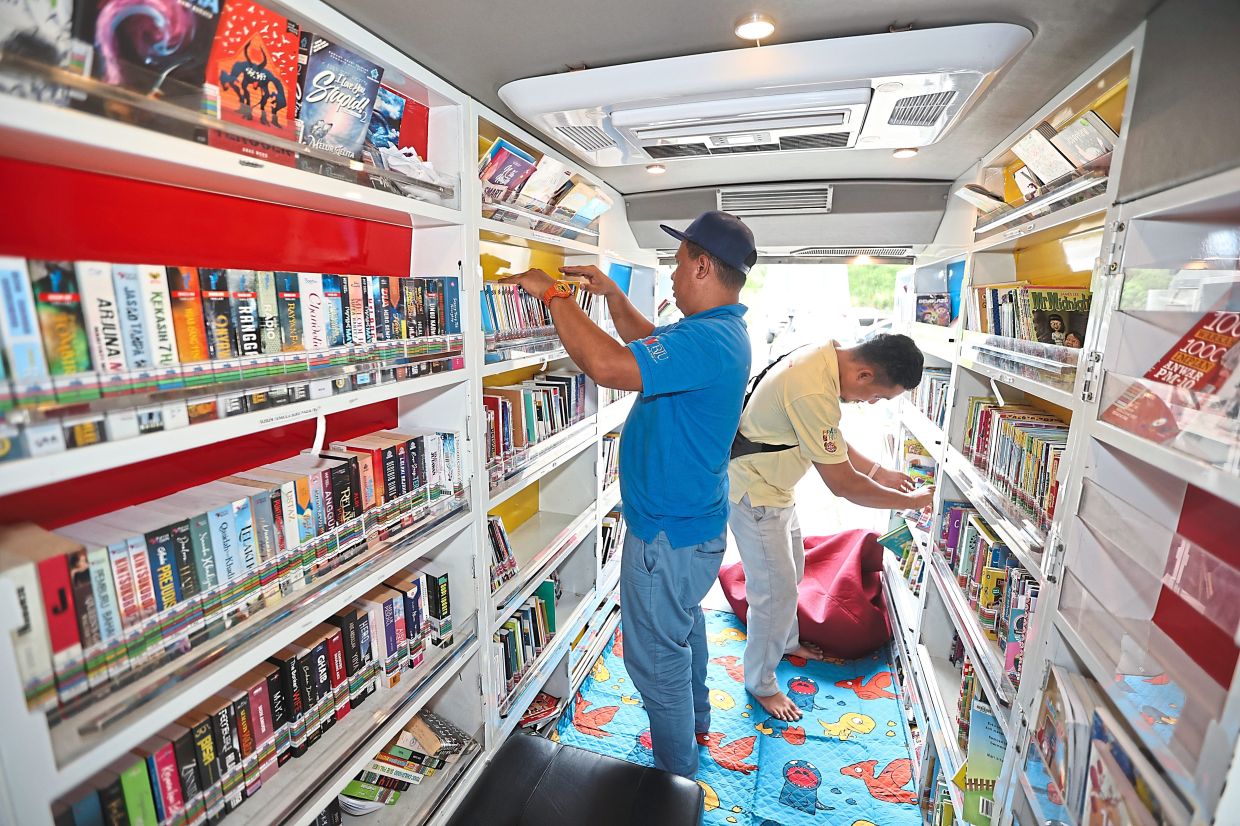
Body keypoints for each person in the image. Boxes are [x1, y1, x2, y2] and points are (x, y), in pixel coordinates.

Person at [500, 210, 754, 776]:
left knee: (655, 659)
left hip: (667, 532)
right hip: (691, 524)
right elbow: (649, 346)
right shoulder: (715, 330)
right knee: (682, 628)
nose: (672, 274)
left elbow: (608, 366)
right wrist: (613, 296)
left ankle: (674, 778)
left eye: (679, 263)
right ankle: (697, 722)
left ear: (703, 266)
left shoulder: (708, 339)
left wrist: (554, 296)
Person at [727, 334, 935, 722]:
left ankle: (785, 643)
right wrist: (910, 502)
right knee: (773, 592)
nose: (871, 403)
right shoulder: (811, 389)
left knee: (791, 574)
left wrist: (880, 473)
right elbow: (844, 485)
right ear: (864, 374)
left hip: (774, 485)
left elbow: (830, 439)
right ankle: (761, 683)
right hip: (755, 491)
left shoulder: (824, 357)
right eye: (878, 396)